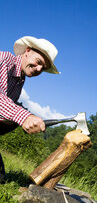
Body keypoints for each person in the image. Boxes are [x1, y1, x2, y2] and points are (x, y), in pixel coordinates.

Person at [0, 36, 60, 180]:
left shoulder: (20, 80)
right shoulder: (4, 59)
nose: (39, 69)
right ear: (27, 51)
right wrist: (24, 116)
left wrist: (21, 119)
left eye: (43, 68)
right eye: (38, 62)